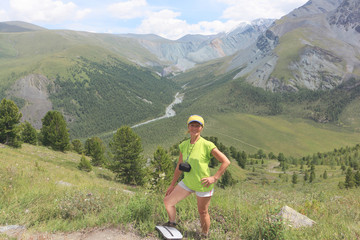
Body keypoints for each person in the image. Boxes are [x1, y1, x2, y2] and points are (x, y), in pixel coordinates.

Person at [163, 115, 231, 238]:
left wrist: (214, 178)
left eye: (197, 126)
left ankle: (204, 235)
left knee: (203, 212)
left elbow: (226, 161)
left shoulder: (207, 145)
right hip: (188, 182)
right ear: (188, 127)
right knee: (168, 202)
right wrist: (172, 184)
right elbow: (179, 165)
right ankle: (172, 223)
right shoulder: (183, 145)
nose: (194, 128)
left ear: (202, 128)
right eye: (192, 125)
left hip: (203, 184)